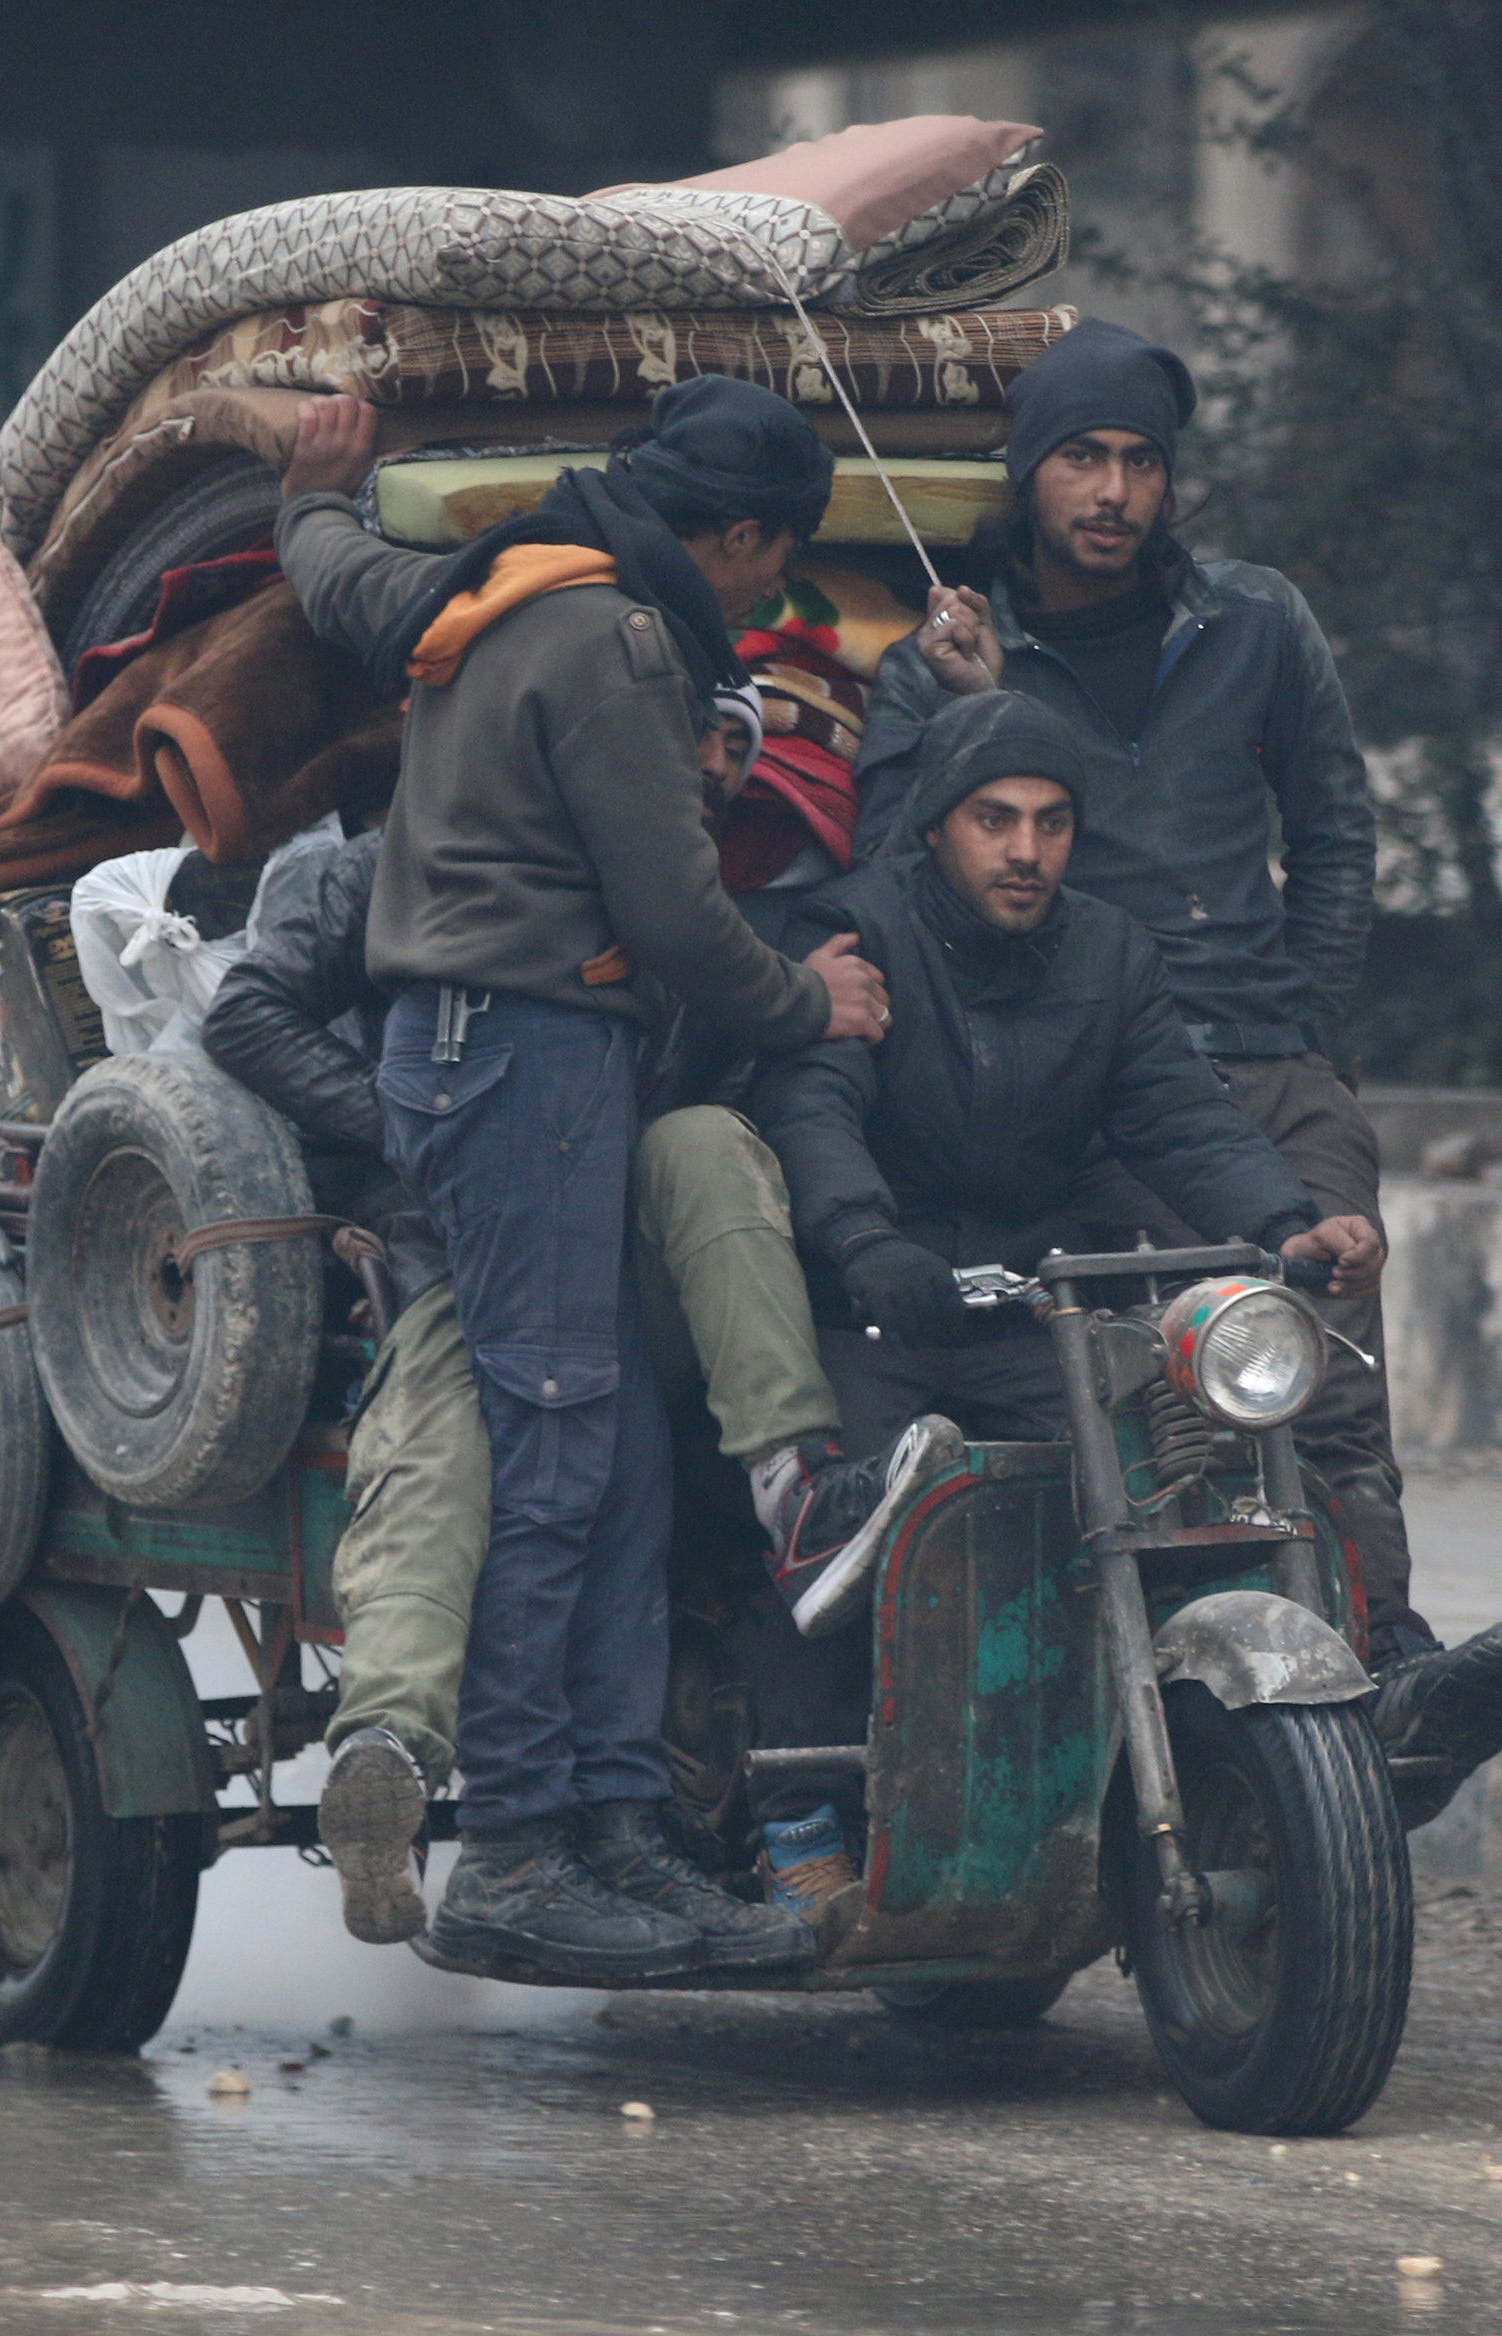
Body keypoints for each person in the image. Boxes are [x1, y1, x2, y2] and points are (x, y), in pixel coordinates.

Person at [853, 317, 1502, 1814]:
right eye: (1082, 459)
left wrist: (1313, 1032)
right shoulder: (953, 651)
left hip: (1270, 1057)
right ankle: (1189, 1695)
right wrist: (966, 706)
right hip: (1092, 1081)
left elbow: (1338, 830)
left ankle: (1385, 1656)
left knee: (1331, 1374)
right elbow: (890, 873)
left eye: (1141, 462)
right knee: (1182, 1392)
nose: (1112, 490)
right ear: (1029, 475)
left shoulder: (1256, 621)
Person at [268, 374, 892, 1979]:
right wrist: (805, 995)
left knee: (597, 1446)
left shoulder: (506, 580)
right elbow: (680, 916)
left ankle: (618, 1830)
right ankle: (527, 1850)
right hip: (524, 1049)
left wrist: (308, 508)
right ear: (738, 536)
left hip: (516, 1052)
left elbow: (351, 586)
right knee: (557, 1445)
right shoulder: (613, 641)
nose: (765, 600)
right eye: (772, 566)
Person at [742, 689, 1417, 1922]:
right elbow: (814, 1105)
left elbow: (1179, 1110)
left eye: (1051, 823)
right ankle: (797, 1815)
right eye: (994, 820)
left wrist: (1284, 1222)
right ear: (940, 824)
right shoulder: (859, 929)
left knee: (1163, 1488)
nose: (1024, 851)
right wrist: (860, 1242)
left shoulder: (1107, 952)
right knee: (826, 1510)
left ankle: (1154, 1762)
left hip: (1029, 1306)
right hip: (878, 1301)